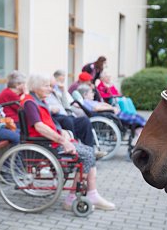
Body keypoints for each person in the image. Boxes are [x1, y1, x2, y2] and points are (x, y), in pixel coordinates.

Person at [21, 73, 115, 211]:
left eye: (50, 86)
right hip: (45, 145)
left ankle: (92, 193)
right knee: (87, 155)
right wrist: (62, 140)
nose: (50, 89)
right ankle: (73, 198)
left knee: (89, 152)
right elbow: (39, 127)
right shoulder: (30, 103)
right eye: (46, 86)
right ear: (35, 87)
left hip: (51, 141)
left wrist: (61, 132)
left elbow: (49, 123)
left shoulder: (39, 101)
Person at [47, 71, 107, 158]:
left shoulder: (55, 92)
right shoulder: (44, 95)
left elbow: (66, 106)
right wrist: (51, 109)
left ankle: (90, 151)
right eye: (50, 86)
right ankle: (76, 149)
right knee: (68, 120)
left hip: (65, 115)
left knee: (84, 120)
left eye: (53, 86)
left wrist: (63, 91)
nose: (52, 88)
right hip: (55, 118)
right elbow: (43, 107)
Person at [76, 84, 146, 142]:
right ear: (85, 95)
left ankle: (140, 132)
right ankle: (141, 132)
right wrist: (111, 108)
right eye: (91, 92)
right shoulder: (86, 102)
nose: (93, 94)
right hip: (108, 114)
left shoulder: (91, 101)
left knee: (135, 117)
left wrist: (110, 107)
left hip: (111, 113)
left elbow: (101, 104)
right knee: (134, 119)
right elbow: (96, 108)